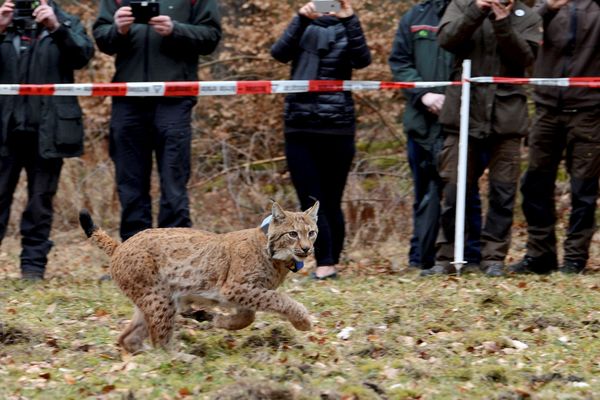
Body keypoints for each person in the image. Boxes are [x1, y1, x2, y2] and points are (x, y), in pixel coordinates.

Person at [420, 0, 542, 277]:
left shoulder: (528, 16)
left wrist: (503, 22)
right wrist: (477, 10)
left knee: (503, 192)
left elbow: (525, 58)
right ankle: (447, 257)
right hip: (462, 115)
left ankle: (494, 258)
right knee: (453, 189)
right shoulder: (462, 6)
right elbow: (447, 40)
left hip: (507, 118)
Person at [93, 0, 221, 241]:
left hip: (174, 98)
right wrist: (117, 29)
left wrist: (176, 29)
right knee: (130, 182)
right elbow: (101, 39)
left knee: (174, 181)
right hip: (128, 99)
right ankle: (133, 256)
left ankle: (178, 253)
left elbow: (212, 37)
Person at [271, 0, 371, 280]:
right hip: (299, 126)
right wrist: (300, 18)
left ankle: (329, 263)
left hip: (337, 126)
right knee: (309, 199)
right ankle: (324, 262)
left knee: (330, 200)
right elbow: (279, 53)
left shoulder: (347, 26)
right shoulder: (302, 25)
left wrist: (350, 18)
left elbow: (363, 60)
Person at [0, 0, 94, 280]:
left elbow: (83, 56)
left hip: (49, 130)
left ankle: (33, 267)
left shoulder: (65, 21)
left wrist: (55, 27)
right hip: (4, 130)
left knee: (40, 202)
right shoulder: (3, 21)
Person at [388, 0, 484, 272]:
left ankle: (470, 257)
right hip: (421, 122)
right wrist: (423, 94)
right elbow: (399, 61)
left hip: (464, 120)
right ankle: (421, 258)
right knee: (425, 195)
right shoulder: (416, 16)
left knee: (466, 191)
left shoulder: (475, 13)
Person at [509, 0, 600, 275]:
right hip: (546, 109)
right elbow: (522, 30)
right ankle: (540, 255)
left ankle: (575, 258)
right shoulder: (545, 6)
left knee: (583, 189)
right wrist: (548, 7)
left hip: (589, 111)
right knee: (535, 184)